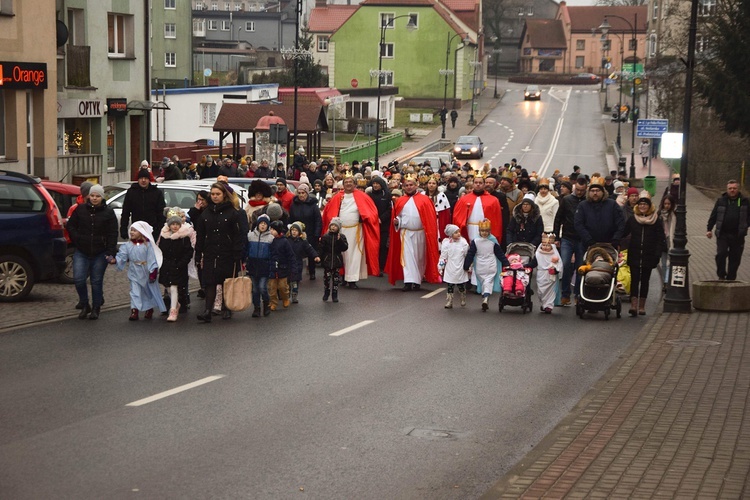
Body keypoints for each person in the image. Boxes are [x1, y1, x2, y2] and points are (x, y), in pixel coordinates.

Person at [194, 182, 249, 322]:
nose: (215, 197)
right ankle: (207, 310)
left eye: (218, 194)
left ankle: (227, 307)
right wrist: (198, 253)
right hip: (210, 251)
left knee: (226, 280)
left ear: (224, 195)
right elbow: (200, 234)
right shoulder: (206, 213)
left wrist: (238, 253)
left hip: (227, 252)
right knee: (210, 282)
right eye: (212, 194)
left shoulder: (232, 212)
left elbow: (238, 235)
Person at [66, 184, 118, 320]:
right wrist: (77, 238)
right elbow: (71, 225)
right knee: (78, 279)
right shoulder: (80, 209)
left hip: (100, 252)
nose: (94, 198)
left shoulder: (108, 212)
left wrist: (110, 251)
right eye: (92, 195)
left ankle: (96, 307)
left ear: (102, 197)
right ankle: (84, 304)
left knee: (96, 280)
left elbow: (113, 233)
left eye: (97, 196)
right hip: (82, 250)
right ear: (88, 196)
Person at [320, 173, 381, 288]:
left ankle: (352, 279)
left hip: (356, 231)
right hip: (341, 231)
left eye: (350, 182)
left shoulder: (362, 196)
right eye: (346, 182)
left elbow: (371, 212)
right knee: (341, 254)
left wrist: (366, 217)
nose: (348, 184)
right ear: (343, 184)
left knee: (354, 255)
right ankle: (342, 277)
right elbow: (329, 213)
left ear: (355, 184)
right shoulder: (338, 197)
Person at [385, 175, 441, 291]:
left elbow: (430, 218)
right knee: (407, 257)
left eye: (411, 185)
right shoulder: (400, 201)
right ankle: (408, 281)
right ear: (403, 187)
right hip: (405, 233)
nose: (409, 187)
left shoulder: (425, 200)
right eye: (406, 185)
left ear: (416, 186)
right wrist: (397, 222)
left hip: (420, 233)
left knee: (420, 258)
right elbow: (398, 217)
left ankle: (417, 281)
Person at [112, 221, 167, 321]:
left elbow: (151, 258)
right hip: (134, 271)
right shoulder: (128, 245)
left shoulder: (148, 245)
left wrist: (153, 271)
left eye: (135, 231)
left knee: (147, 291)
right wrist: (115, 260)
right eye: (131, 230)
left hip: (145, 270)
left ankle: (149, 308)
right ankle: (134, 310)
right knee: (135, 291)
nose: (132, 232)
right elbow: (122, 255)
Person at [623, 191, 666, 316]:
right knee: (634, 280)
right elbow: (623, 233)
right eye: (640, 204)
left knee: (645, 280)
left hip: (649, 254)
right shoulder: (633, 219)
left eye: (645, 205)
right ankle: (634, 305)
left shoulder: (656, 220)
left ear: (649, 207)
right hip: (635, 253)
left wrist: (657, 254)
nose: (642, 206)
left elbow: (660, 238)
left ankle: (642, 305)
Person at [464, 219, 510, 311]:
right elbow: (470, 254)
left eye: (486, 231)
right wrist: (466, 265)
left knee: (487, 281)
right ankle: (485, 296)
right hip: (480, 266)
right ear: (479, 231)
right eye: (482, 231)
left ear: (489, 231)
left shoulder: (491, 241)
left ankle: (485, 298)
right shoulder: (477, 241)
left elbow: (499, 254)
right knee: (485, 282)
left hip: (490, 265)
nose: (484, 233)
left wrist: (506, 263)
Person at [707, 179, 749, 281]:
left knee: (735, 258)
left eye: (734, 188)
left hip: (738, 235)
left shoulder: (744, 201)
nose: (732, 190)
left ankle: (731, 278)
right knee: (721, 253)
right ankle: (721, 275)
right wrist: (709, 229)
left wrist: (746, 225)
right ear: (727, 189)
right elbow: (714, 215)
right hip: (723, 234)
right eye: (730, 188)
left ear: (738, 189)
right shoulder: (721, 200)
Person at [554, 178, 587, 305]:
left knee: (580, 267)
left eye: (582, 190)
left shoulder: (587, 201)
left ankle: (578, 294)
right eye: (577, 190)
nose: (579, 193)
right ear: (574, 188)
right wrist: (556, 237)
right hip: (567, 237)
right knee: (566, 264)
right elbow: (558, 218)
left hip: (581, 239)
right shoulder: (567, 200)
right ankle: (565, 294)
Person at [158, 208, 194, 322]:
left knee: (174, 287)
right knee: (167, 286)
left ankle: (173, 310)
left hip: (178, 265)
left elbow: (188, 252)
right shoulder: (164, 236)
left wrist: (181, 263)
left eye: (176, 224)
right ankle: (176, 303)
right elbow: (160, 249)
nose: (174, 226)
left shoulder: (184, 237)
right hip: (166, 265)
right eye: (172, 224)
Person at [574, 176, 626, 251]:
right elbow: (578, 224)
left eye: (598, 190)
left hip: (610, 244)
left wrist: (616, 238)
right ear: (589, 192)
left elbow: (620, 222)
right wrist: (588, 240)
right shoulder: (583, 205)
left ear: (602, 192)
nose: (595, 193)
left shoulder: (612, 204)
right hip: (589, 245)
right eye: (592, 191)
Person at [452, 175, 503, 243]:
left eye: (480, 183)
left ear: (484, 184)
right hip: (469, 228)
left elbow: (497, 220)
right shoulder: (463, 199)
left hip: (484, 230)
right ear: (473, 184)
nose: (478, 184)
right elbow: (457, 217)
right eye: (476, 182)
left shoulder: (493, 200)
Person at [120, 169, 167, 242]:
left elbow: (161, 213)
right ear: (138, 180)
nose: (143, 180)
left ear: (149, 180)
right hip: (137, 229)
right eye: (141, 178)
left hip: (152, 230)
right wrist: (123, 228)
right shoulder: (132, 192)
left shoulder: (156, 193)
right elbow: (126, 212)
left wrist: (158, 229)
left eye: (146, 178)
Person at [288, 183, 323, 280]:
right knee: (296, 253)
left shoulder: (313, 206)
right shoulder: (294, 205)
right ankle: (296, 272)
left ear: (307, 193)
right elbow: (290, 219)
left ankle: (312, 271)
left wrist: (317, 234)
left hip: (310, 232)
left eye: (303, 193)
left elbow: (318, 220)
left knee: (311, 253)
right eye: (299, 193)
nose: (301, 195)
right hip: (296, 232)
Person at [246, 214, 274, 318]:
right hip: (253, 265)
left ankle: (266, 304)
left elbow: (272, 254)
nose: (263, 226)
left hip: (264, 265)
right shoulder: (250, 236)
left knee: (262, 287)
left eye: (265, 224)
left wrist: (272, 266)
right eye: (261, 224)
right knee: (255, 289)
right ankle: (256, 307)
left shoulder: (270, 238)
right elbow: (246, 249)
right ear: (258, 224)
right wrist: (245, 261)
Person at [287, 221, 320, 303]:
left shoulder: (303, 241)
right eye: (292, 230)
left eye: (296, 230)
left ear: (299, 232)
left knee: (295, 281)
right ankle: (286, 296)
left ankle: (294, 295)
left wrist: (315, 256)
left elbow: (310, 249)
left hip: (297, 263)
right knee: (287, 281)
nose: (294, 232)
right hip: (287, 264)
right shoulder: (287, 240)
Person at [266, 220, 295, 311]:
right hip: (272, 267)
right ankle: (273, 302)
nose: (271, 231)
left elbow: (290, 255)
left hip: (283, 268)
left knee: (283, 286)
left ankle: (285, 298)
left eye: (273, 229)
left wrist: (293, 267)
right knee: (272, 287)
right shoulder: (269, 241)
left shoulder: (284, 241)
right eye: (270, 229)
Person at [439, 224, 470, 308]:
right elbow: (443, 257)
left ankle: (463, 297)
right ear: (451, 234)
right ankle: (449, 301)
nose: (458, 234)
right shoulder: (446, 244)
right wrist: (441, 267)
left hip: (460, 268)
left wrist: (469, 265)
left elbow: (467, 254)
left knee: (461, 286)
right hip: (450, 269)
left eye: (459, 232)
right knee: (450, 286)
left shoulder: (463, 242)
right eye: (456, 232)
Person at [319, 218, 349, 302]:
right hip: (327, 260)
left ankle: (334, 294)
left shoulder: (342, 237)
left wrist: (340, 241)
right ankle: (326, 292)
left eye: (335, 226)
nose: (333, 227)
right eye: (332, 225)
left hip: (337, 260)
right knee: (327, 278)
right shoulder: (325, 236)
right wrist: (319, 256)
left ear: (338, 228)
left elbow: (345, 248)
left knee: (336, 279)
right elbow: (321, 248)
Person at [367, 175, 392, 274]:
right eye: (374, 183)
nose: (375, 185)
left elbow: (389, 209)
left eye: (377, 183)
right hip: (372, 224)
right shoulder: (369, 195)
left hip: (383, 225)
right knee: (373, 245)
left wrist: (381, 218)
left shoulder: (387, 195)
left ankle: (381, 266)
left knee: (382, 245)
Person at [535, 233, 563, 314]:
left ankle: (549, 306)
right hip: (541, 275)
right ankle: (544, 303)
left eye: (548, 246)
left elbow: (559, 264)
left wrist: (556, 270)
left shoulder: (554, 255)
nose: (545, 247)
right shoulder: (538, 254)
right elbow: (534, 262)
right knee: (541, 291)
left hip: (551, 276)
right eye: (543, 245)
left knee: (550, 291)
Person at [659, 195, 677, 292]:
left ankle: (667, 281)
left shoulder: (674, 215)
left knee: (669, 263)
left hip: (671, 240)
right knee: (664, 263)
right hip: (662, 241)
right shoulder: (659, 215)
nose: (667, 206)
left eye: (669, 204)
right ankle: (665, 282)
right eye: (665, 204)